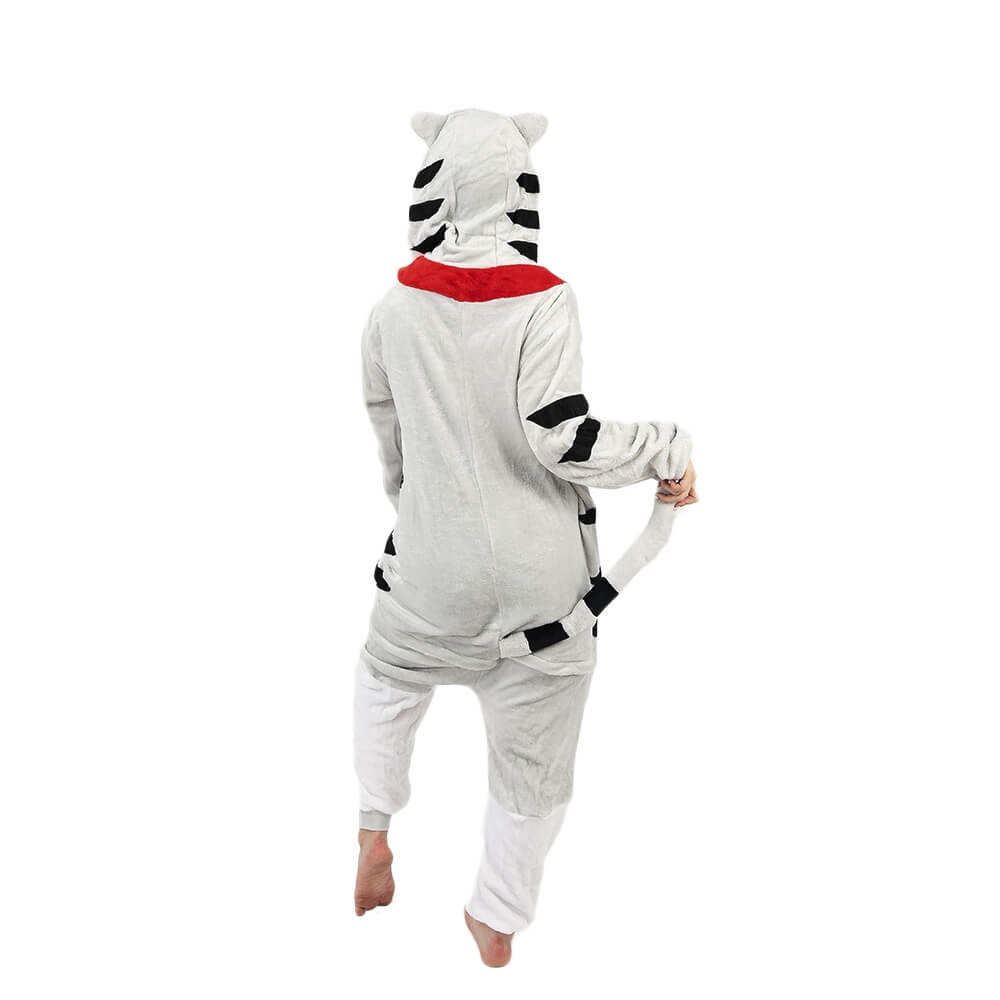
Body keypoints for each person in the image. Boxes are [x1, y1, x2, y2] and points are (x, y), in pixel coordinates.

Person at [353, 108, 697, 967]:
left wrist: (423, 522)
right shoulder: (546, 300)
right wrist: (666, 445)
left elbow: (394, 453)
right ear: (520, 191)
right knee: (536, 761)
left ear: (433, 188)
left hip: (429, 581)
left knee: (386, 678)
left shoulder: (391, 310)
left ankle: (373, 826)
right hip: (545, 600)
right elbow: (563, 439)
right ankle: (496, 914)